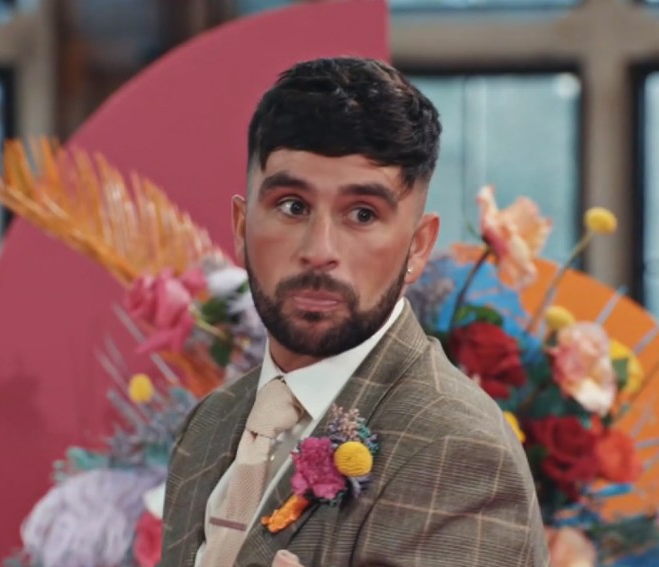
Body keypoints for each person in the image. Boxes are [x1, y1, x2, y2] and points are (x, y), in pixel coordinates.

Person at [159, 56, 548, 567]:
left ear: (418, 246)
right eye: (292, 206)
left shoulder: (457, 447)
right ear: (239, 227)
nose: (319, 249)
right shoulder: (209, 425)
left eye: (362, 214)